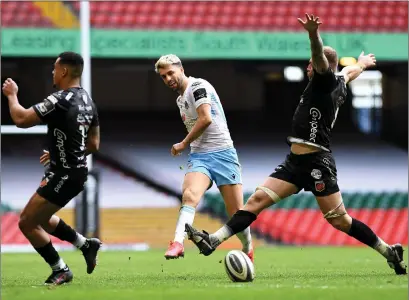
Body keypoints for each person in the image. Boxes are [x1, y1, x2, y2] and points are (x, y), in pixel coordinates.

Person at [185, 14, 407, 275]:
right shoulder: (340, 79)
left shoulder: (324, 82)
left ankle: (387, 251)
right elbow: (350, 71)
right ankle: (213, 241)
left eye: (310, 65)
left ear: (321, 65)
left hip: (317, 163)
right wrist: (363, 63)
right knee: (255, 200)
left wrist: (313, 35)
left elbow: (322, 59)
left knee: (340, 220)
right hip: (294, 163)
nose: (308, 69)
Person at [2, 51, 102, 285]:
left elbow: (21, 119)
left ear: (64, 71)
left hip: (64, 174)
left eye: (55, 69)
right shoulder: (88, 101)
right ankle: (86, 245)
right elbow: (94, 144)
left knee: (27, 221)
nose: (53, 73)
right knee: (44, 219)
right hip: (75, 172)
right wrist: (65, 151)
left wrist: (12, 95)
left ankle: (61, 269)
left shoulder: (60, 99)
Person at [154, 54, 254, 261]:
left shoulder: (198, 86)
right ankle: (177, 243)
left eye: (170, 73)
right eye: (163, 76)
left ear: (181, 69)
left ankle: (248, 248)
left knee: (237, 213)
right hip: (200, 156)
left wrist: (183, 143)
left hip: (224, 153)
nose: (168, 79)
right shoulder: (180, 99)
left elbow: (206, 118)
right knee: (190, 195)